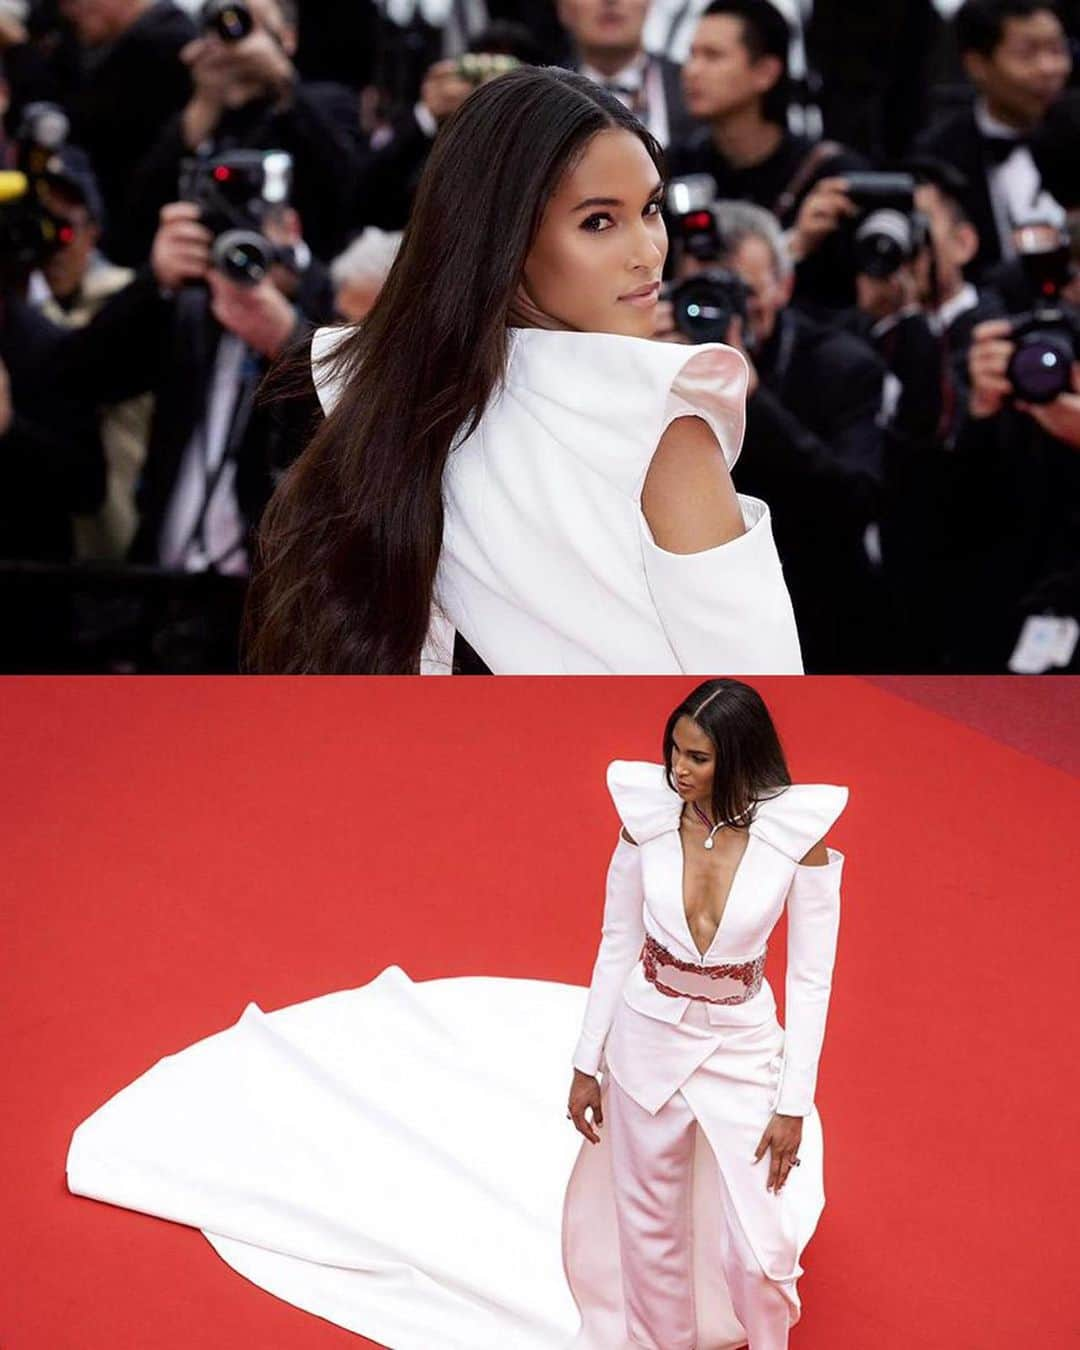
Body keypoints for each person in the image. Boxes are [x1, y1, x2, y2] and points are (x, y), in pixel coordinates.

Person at [245, 65, 803, 675]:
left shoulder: (376, 393)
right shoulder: (654, 420)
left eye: (651, 208)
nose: (648, 252)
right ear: (504, 237)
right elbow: (760, 690)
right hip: (618, 766)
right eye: (598, 221)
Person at [564, 678, 849, 1348]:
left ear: (740, 758)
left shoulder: (794, 837)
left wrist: (793, 1104)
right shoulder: (646, 817)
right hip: (644, 1042)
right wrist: (585, 1065)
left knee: (761, 1251)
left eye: (697, 758)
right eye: (674, 751)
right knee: (650, 1233)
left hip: (743, 1049)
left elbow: (811, 977)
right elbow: (617, 942)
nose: (677, 770)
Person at [657, 198, 885, 671]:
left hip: (821, 622)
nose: (720, 312)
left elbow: (854, 501)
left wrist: (752, 400)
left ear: (785, 285)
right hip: (690, 619)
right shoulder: (658, 358)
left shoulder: (842, 365)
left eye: (741, 292)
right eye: (700, 294)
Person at [666, 0, 867, 312]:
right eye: (691, 54)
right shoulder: (673, 168)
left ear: (766, 72)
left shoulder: (827, 176)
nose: (692, 71)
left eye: (713, 56)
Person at [914, 0, 1073, 280]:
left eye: (1057, 50)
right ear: (977, 64)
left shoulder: (1073, 128)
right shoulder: (938, 155)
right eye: (1027, 54)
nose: (1048, 68)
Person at [560, 0, 696, 147]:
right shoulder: (539, 97)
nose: (610, 1)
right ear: (563, 8)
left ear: (649, 4)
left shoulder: (691, 88)